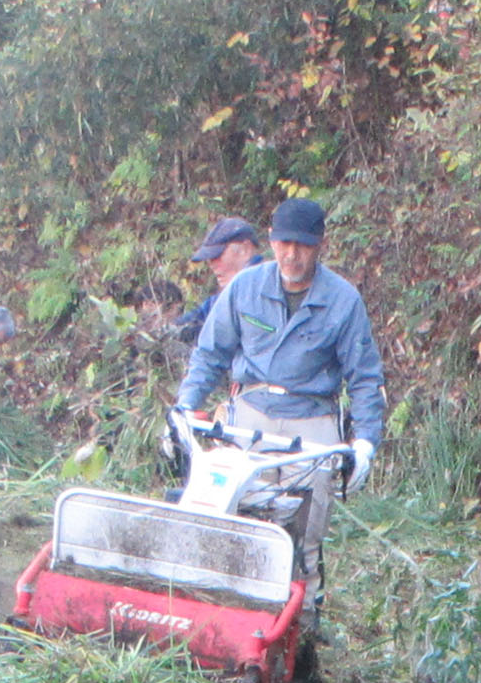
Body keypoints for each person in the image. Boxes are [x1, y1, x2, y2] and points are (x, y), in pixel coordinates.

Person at [176, 198, 385, 491]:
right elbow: (210, 354)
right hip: (251, 412)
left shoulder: (344, 301)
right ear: (271, 238)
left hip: (312, 416)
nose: (292, 254)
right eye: (284, 243)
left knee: (306, 514)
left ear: (320, 244)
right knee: (237, 502)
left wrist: (364, 443)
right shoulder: (244, 287)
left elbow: (364, 377)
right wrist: (184, 406)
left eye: (303, 245)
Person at [157, 216, 259, 356]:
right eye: (210, 259)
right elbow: (201, 314)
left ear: (245, 250)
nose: (211, 264)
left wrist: (191, 333)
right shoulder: (226, 294)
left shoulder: (262, 290)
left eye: (217, 256)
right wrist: (167, 330)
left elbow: (230, 334)